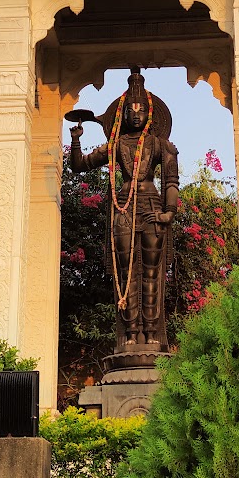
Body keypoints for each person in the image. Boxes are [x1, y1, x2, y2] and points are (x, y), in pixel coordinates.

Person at [69, 67, 181, 353]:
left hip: (152, 207)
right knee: (126, 273)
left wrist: (169, 212)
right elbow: (80, 165)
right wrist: (77, 138)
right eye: (129, 110)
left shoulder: (161, 145)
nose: (135, 113)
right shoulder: (115, 144)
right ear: (121, 115)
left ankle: (152, 333)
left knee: (153, 274)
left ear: (150, 114)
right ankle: (130, 333)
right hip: (123, 207)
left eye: (140, 109)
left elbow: (171, 181)